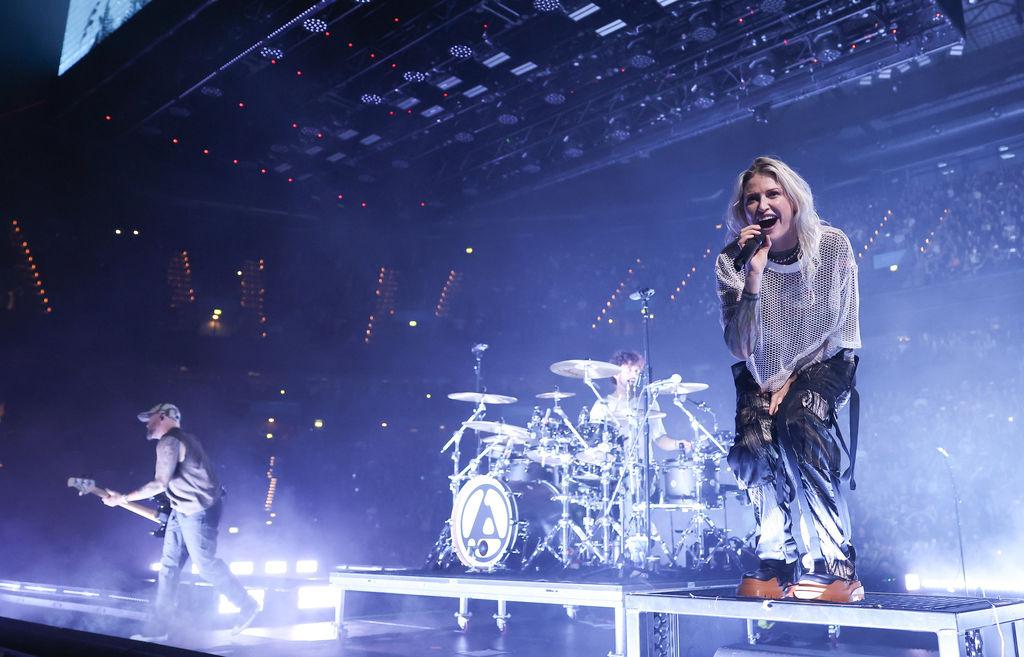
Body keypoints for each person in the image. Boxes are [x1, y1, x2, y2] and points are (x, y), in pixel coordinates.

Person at [715, 157, 862, 602]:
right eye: (752, 199)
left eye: (771, 194)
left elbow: (842, 326)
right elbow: (740, 346)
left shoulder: (832, 245)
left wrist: (791, 381)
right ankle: (776, 559)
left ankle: (837, 565)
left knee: (799, 422)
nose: (762, 204)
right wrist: (754, 276)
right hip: (759, 369)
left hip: (827, 359)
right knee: (753, 443)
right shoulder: (732, 262)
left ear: (793, 199)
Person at [102, 403, 259, 640]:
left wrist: (123, 498)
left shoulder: (169, 441)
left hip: (199, 511)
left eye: (150, 418)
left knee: (205, 564)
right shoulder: (186, 439)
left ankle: (246, 605)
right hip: (182, 510)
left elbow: (159, 483)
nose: (147, 424)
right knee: (168, 568)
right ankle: (159, 630)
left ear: (163, 417)